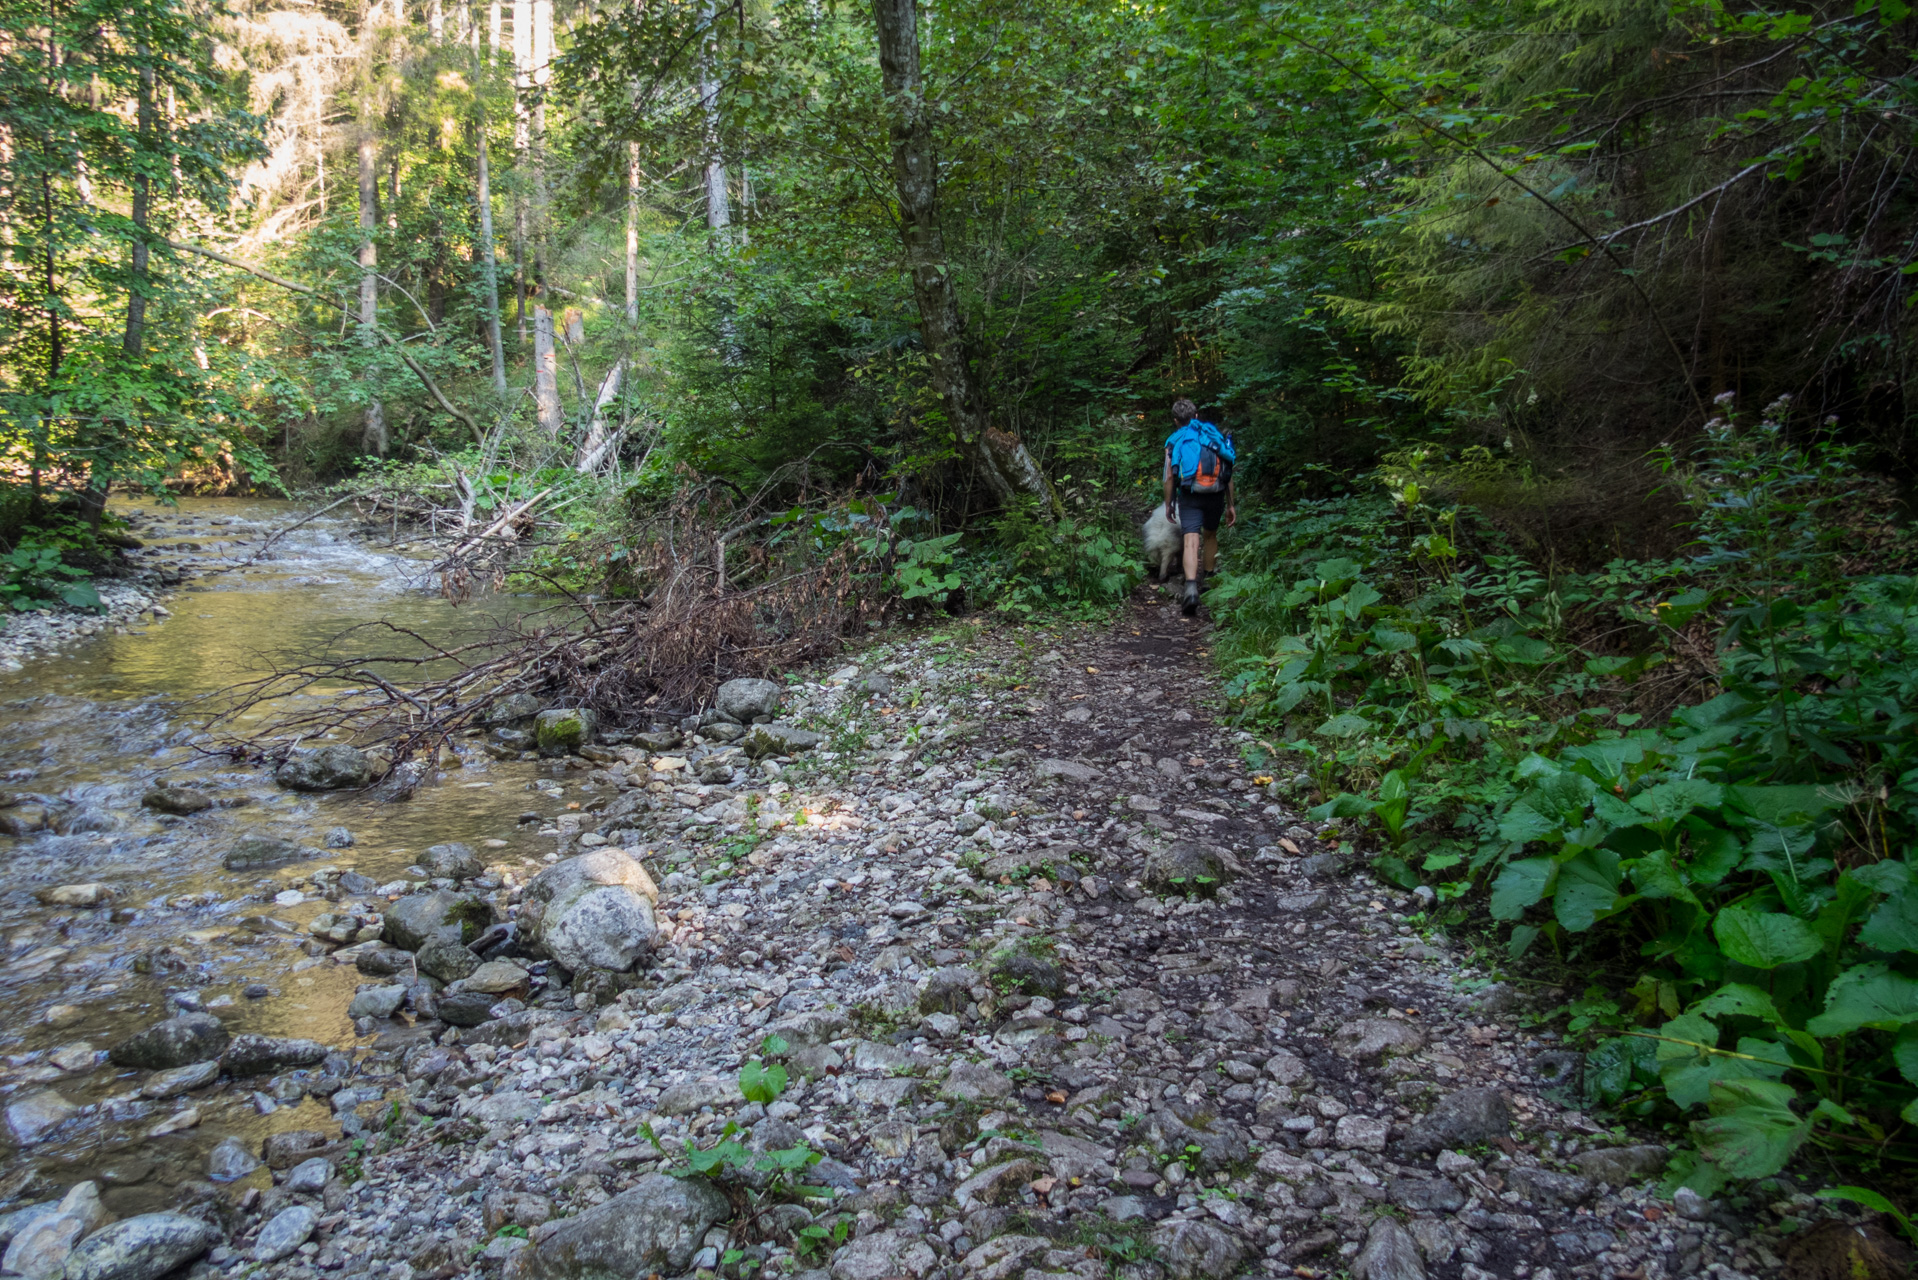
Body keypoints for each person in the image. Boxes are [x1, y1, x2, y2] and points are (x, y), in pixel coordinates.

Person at [1162, 398, 1236, 617]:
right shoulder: (1213, 434)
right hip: (1215, 493)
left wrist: (1169, 504)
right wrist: (1231, 504)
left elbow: (1168, 477)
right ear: (1196, 416)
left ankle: (1191, 588)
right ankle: (1210, 579)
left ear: (1176, 421)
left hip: (1189, 494)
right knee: (1210, 535)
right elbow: (1228, 470)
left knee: (1191, 540)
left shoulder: (1174, 441)